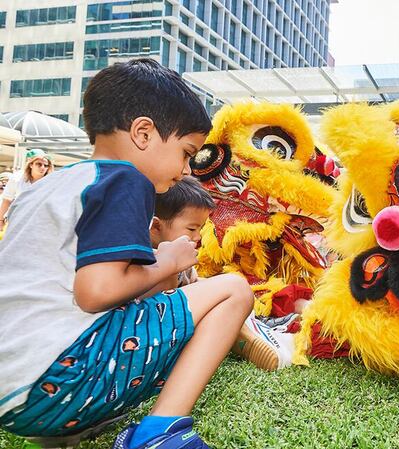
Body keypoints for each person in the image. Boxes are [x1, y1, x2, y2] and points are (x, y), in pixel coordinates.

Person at [0, 59, 253, 449]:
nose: (187, 170)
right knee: (234, 289)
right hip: (60, 379)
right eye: (186, 153)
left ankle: (65, 433)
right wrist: (168, 261)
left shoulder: (44, 189)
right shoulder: (124, 179)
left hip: (14, 398)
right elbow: (96, 291)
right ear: (143, 132)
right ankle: (160, 433)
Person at [0, 149, 54, 227]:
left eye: (46, 165)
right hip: (18, 220)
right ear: (30, 164)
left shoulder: (51, 181)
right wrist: (1, 219)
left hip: (41, 222)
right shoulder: (17, 178)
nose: (43, 167)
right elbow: (7, 200)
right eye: (39, 164)